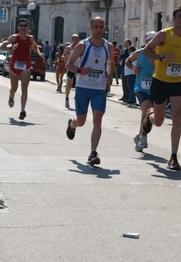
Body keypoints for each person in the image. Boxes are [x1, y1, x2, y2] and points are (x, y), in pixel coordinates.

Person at [141, 6, 181, 170]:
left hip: (178, 82)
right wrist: (161, 57)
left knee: (177, 116)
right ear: (174, 19)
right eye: (180, 17)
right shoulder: (164, 34)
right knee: (159, 121)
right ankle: (149, 116)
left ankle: (173, 157)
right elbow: (146, 51)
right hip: (160, 81)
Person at [65, 16, 114, 165]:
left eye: (101, 27)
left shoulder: (109, 46)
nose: (99, 30)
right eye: (96, 27)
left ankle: (93, 153)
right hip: (83, 87)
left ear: (104, 28)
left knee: (97, 119)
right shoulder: (82, 45)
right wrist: (80, 70)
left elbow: (111, 63)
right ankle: (72, 124)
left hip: (99, 88)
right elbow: (68, 64)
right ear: (90, 28)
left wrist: (110, 75)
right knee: (81, 121)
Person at [0, 18, 44, 120]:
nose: (23, 27)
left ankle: (22, 110)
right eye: (21, 25)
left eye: (25, 25)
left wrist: (39, 53)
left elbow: (34, 46)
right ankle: (11, 97)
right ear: (18, 27)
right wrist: (11, 48)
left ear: (27, 27)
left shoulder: (30, 38)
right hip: (14, 66)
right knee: (14, 88)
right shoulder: (14, 38)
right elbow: (2, 47)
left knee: (24, 88)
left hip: (26, 66)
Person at [126, 31, 157, 152]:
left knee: (152, 115)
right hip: (141, 87)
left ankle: (140, 135)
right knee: (147, 110)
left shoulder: (160, 54)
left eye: (156, 40)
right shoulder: (139, 53)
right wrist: (133, 68)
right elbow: (127, 61)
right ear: (146, 41)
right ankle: (143, 138)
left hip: (155, 87)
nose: (154, 42)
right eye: (152, 39)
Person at [63, 34, 80, 108]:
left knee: (79, 84)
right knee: (69, 84)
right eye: (74, 39)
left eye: (77, 39)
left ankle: (77, 98)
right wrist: (68, 56)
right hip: (70, 67)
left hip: (78, 67)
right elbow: (62, 57)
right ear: (71, 39)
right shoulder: (68, 48)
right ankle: (67, 98)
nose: (75, 40)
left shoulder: (80, 47)